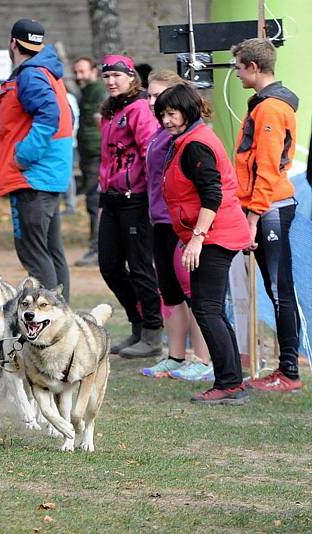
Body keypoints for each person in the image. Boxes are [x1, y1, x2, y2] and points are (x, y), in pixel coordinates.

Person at [156, 83, 252, 404]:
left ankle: (228, 384)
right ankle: (233, 379)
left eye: (172, 113)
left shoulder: (196, 144)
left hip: (214, 235)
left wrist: (197, 239)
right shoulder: (186, 139)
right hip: (210, 233)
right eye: (163, 115)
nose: (166, 120)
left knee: (207, 309)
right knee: (211, 309)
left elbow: (213, 194)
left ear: (188, 112)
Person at [231, 38, 302, 392]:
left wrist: (254, 216)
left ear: (254, 67)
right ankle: (286, 367)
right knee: (277, 289)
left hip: (270, 208)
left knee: (279, 289)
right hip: (265, 205)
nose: (237, 73)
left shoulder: (271, 108)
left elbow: (268, 166)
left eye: (239, 67)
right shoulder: (262, 105)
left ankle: (288, 371)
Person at [0, 18, 72, 300]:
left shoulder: (30, 75)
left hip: (33, 176)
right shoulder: (48, 71)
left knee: (35, 254)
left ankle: (51, 321)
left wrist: (24, 154)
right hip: (48, 175)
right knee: (51, 252)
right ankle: (64, 318)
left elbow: (51, 115)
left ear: (13, 43)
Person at [138, 70, 213, 380]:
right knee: (168, 291)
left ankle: (204, 360)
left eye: (159, 96)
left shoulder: (191, 137)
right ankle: (176, 356)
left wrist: (197, 229)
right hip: (159, 219)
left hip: (182, 222)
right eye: (150, 96)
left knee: (193, 291)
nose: (153, 102)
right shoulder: (159, 133)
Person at [97, 54, 162, 356]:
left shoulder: (138, 109)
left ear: (132, 78)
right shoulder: (110, 112)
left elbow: (150, 154)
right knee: (109, 266)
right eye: (107, 76)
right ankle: (137, 323)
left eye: (117, 76)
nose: (111, 81)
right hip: (111, 199)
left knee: (139, 267)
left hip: (135, 199)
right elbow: (108, 159)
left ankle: (151, 333)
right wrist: (101, 194)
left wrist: (151, 197)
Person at [72, 57, 105, 267]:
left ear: (94, 70)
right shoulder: (86, 91)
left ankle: (97, 248)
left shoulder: (98, 90)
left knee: (95, 201)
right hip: (87, 153)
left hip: (97, 153)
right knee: (92, 201)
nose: (79, 76)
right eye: (76, 72)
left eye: (82, 71)